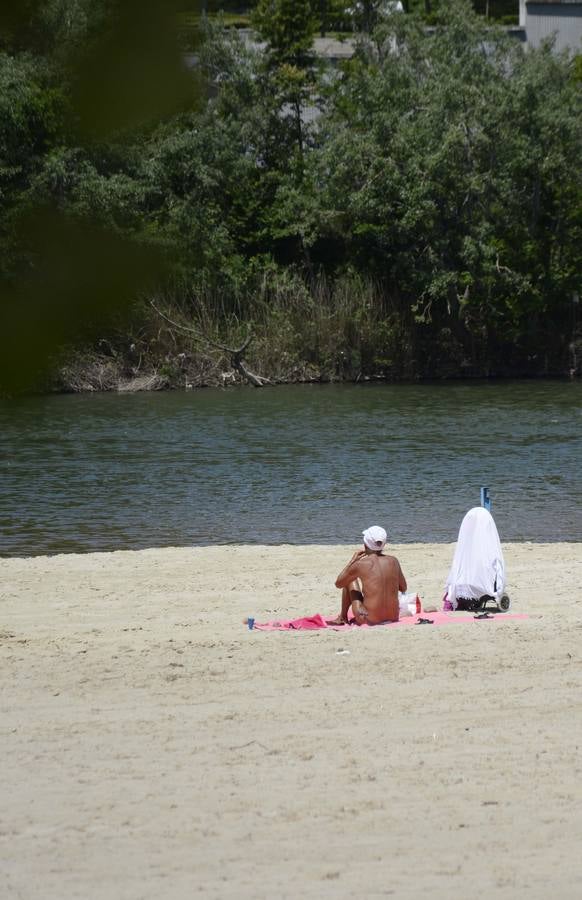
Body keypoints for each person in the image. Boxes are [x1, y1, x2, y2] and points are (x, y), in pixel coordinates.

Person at [329, 525, 407, 625]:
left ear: (366, 543)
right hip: (393, 617)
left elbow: (339, 583)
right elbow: (403, 587)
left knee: (350, 580)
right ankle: (344, 617)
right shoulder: (393, 561)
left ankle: (343, 617)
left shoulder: (361, 564)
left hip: (369, 619)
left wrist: (352, 561)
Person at [443, 506, 505, 611]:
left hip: (461, 584)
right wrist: (499, 590)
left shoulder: (464, 550)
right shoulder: (489, 547)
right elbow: (498, 566)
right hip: (483, 586)